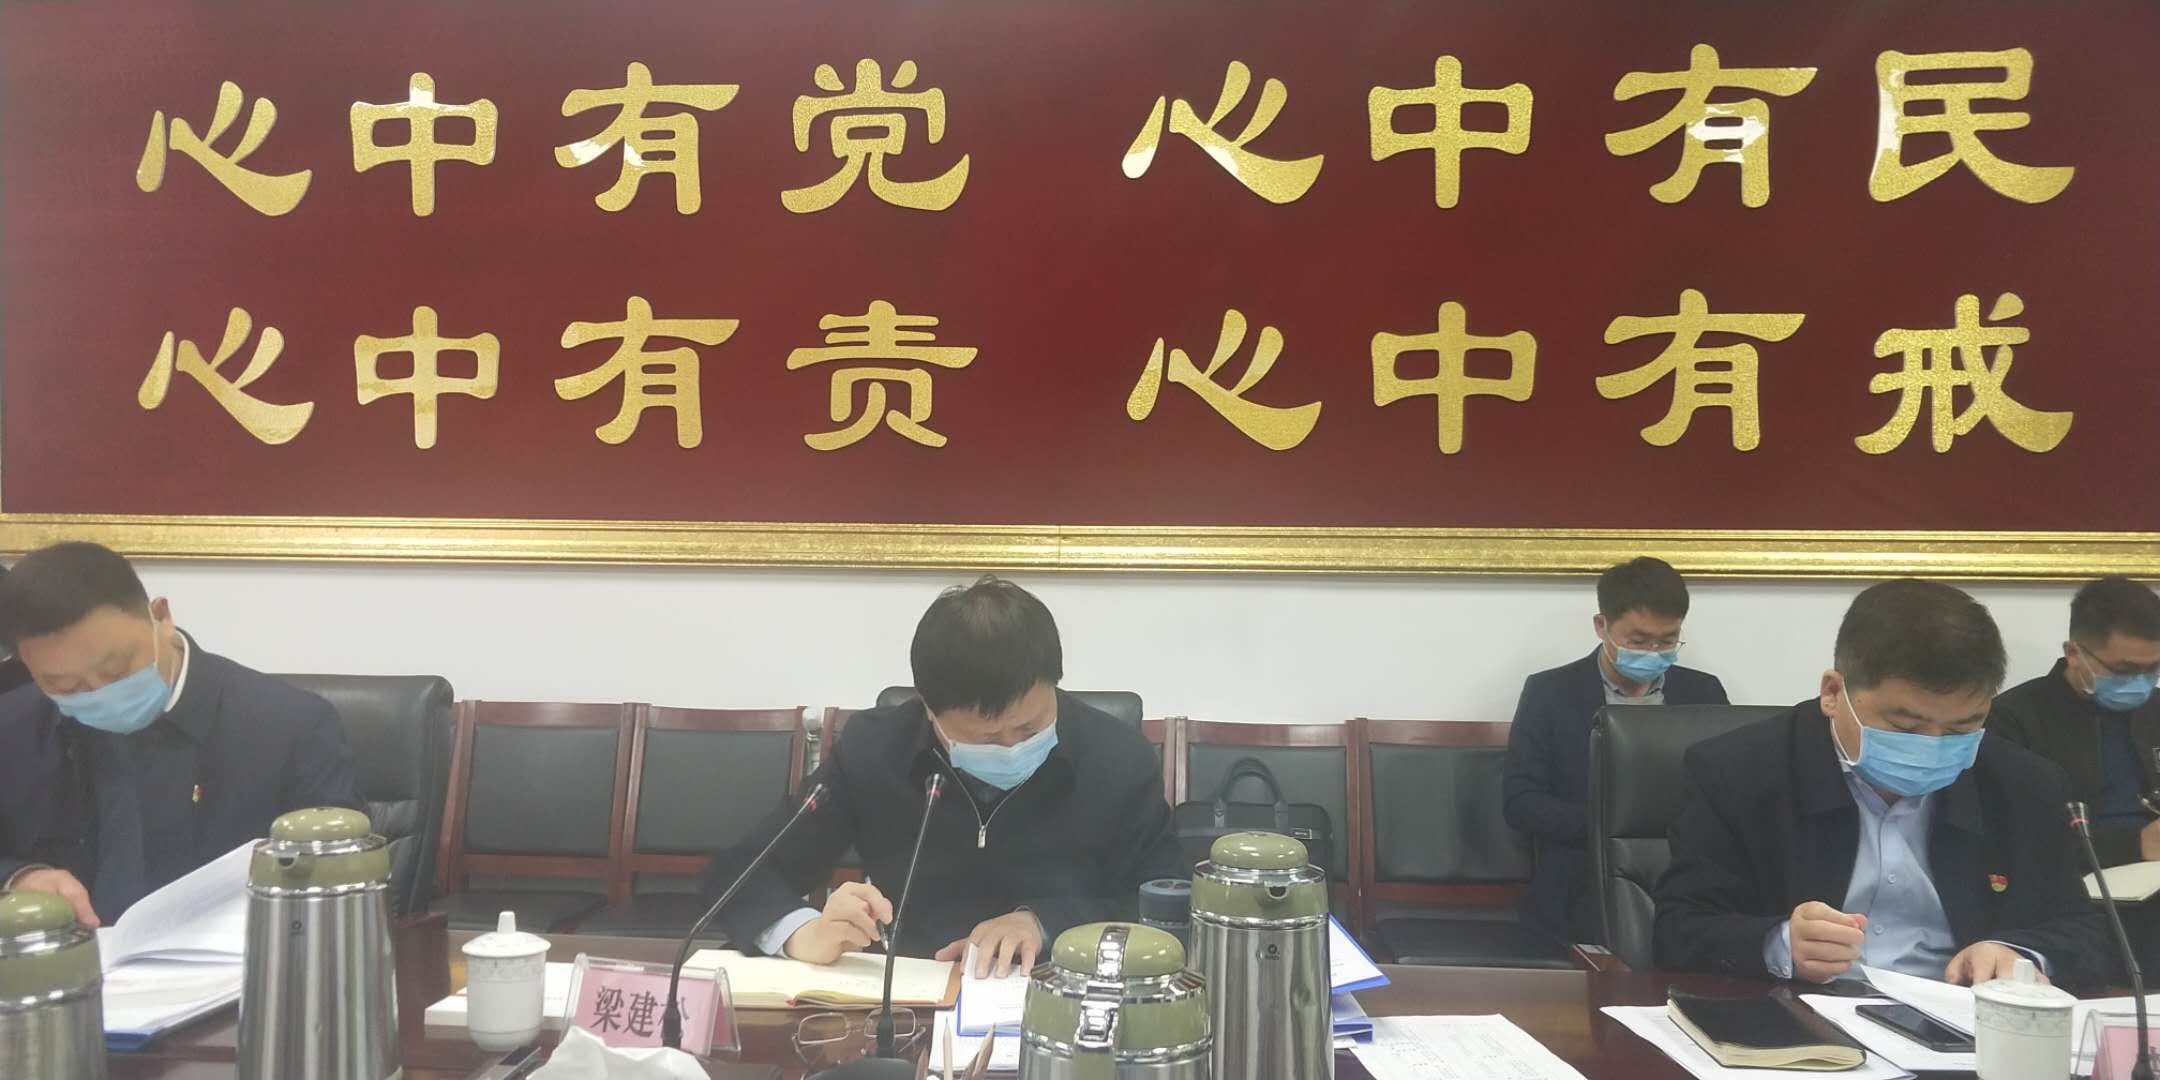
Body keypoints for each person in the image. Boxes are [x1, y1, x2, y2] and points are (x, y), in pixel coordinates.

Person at [701, 575, 1183, 977]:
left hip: (1062, 986)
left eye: (1028, 728)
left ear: (1054, 684)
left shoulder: (1118, 757)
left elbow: (1169, 902)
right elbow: (741, 873)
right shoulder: (875, 750)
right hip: (909, 992)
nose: (1010, 747)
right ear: (929, 711)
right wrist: (801, 931)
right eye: (985, 738)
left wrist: (1047, 922)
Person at [1655, 579, 2112, 987]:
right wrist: (1781, 944)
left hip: (1961, 1021)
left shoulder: (2024, 784)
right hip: (1803, 1016)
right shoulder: (1738, 772)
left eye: (1961, 727)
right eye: (1905, 726)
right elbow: (1679, 929)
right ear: (1833, 693)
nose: (1932, 746)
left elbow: (2082, 932)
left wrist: (2018, 955)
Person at [0, 541, 361, 926]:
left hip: (232, 957)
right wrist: (19, 877)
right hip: (65, 956)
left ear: (161, 616)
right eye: (64, 685)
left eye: (116, 668)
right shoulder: (12, 726)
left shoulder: (289, 726)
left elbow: (341, 881)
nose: (97, 692)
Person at [1503, 556, 1729, 945]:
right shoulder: (1550, 692)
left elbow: (1726, 792)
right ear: (1601, 626)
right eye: (1638, 641)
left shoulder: (1703, 692)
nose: (1653, 652)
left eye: (1667, 641)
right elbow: (1521, 801)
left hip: (1683, 877)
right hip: (1578, 876)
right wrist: (1611, 830)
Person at [1991, 576, 2160, 867]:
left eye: (2153, 668)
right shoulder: (2011, 719)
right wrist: (2133, 845)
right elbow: (2009, 836)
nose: (2140, 681)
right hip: (2075, 879)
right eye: (2124, 669)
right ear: (2073, 654)